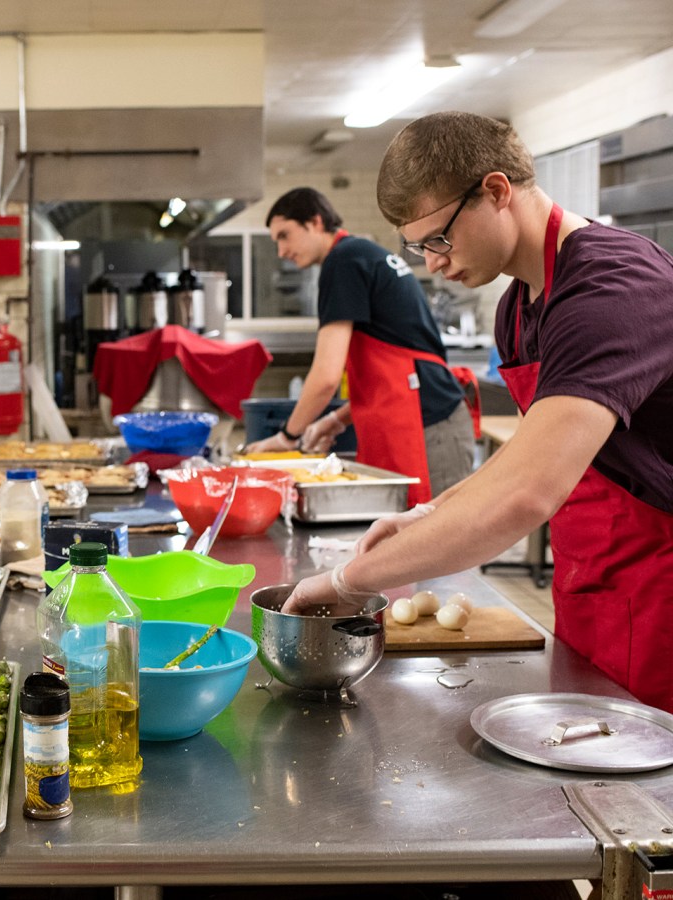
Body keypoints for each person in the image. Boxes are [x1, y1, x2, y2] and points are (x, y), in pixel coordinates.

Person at [284, 111, 673, 714]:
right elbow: (528, 455)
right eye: (418, 247)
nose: (433, 263)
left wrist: (347, 583)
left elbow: (527, 492)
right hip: (593, 583)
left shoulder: (612, 289)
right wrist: (429, 514)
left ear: (496, 191)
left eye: (437, 239)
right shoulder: (517, 309)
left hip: (659, 590)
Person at [244, 187, 476, 505]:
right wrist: (334, 420)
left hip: (430, 428)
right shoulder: (362, 254)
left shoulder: (342, 261)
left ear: (314, 222)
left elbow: (326, 376)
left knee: (441, 543)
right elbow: (391, 371)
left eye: (284, 235)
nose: (281, 251)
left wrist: (287, 437)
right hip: (432, 419)